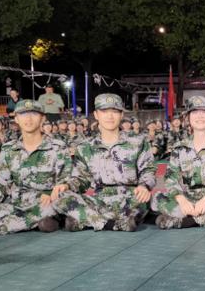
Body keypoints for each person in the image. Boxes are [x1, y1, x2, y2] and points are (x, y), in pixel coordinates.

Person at [0, 99, 75, 234]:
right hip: (17, 204)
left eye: (34, 114)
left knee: (54, 207)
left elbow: (65, 180)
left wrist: (52, 194)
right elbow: (3, 183)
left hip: (46, 202)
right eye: (23, 114)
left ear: (43, 118)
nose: (28, 119)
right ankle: (40, 222)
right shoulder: (9, 149)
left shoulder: (57, 147)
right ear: (16, 119)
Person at [54, 93, 154, 231]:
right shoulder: (85, 147)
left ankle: (86, 219)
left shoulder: (138, 142)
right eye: (104, 111)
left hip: (131, 198)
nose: (110, 116)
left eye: (115, 111)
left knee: (150, 200)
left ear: (121, 115)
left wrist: (144, 186)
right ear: (96, 115)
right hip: (99, 199)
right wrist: (67, 185)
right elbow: (81, 179)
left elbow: (148, 170)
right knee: (59, 197)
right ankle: (112, 224)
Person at [152, 96, 205, 229]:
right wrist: (182, 200)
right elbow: (171, 177)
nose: (200, 116)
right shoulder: (179, 147)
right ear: (188, 118)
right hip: (188, 198)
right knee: (157, 197)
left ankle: (189, 221)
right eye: (195, 112)